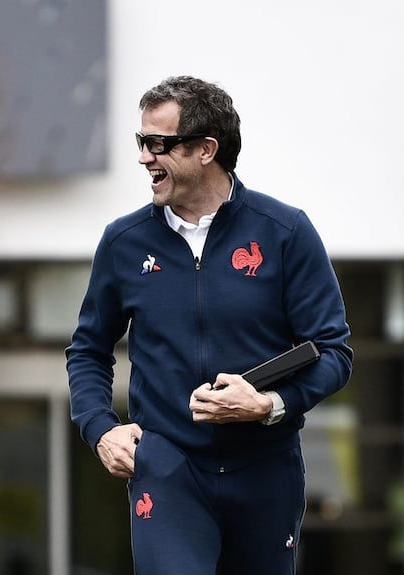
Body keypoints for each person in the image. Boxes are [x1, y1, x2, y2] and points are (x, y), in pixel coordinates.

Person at [66, 76, 352, 575]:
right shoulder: (124, 242)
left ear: (206, 149)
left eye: (158, 144)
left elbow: (334, 353)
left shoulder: (285, 232)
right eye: (141, 142)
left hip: (266, 469)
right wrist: (101, 429)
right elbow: (88, 350)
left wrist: (269, 404)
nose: (145, 157)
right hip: (167, 468)